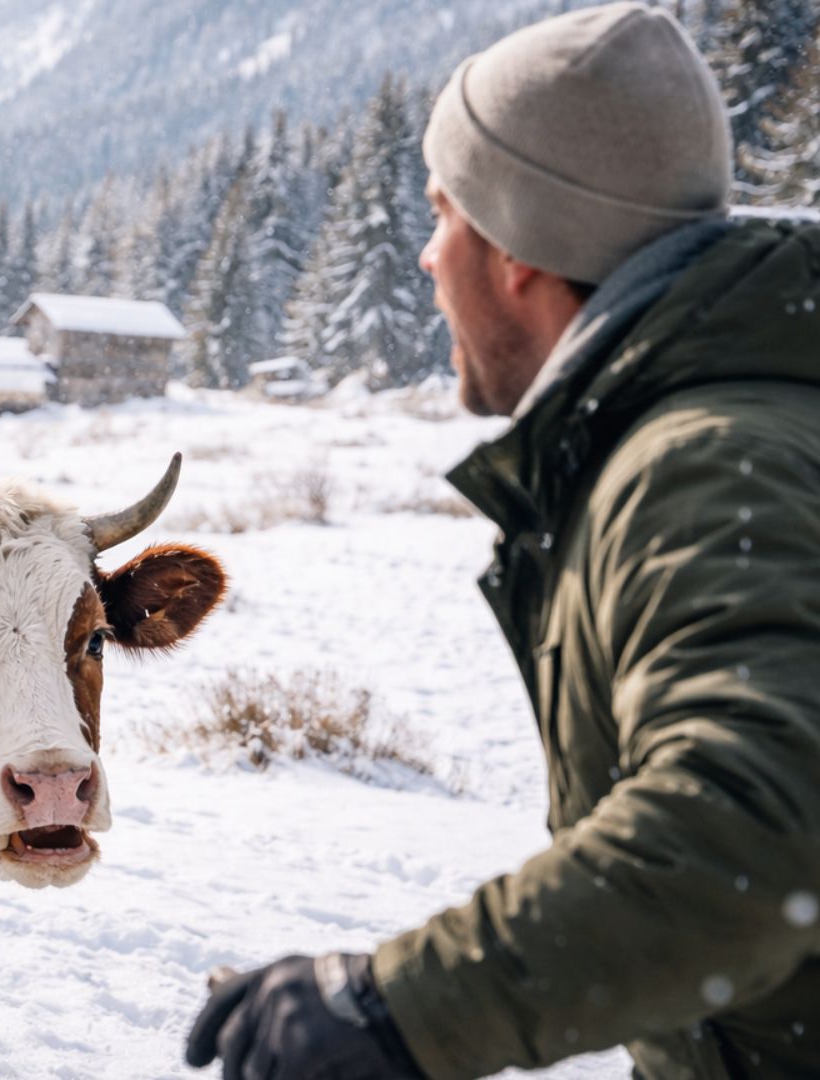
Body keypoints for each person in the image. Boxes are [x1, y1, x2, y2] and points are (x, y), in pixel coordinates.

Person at [183, 4, 820, 1077]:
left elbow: (751, 837)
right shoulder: (721, 425)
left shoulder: (704, 464)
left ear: (518, 245)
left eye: (443, 215)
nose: (429, 261)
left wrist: (396, 1012)